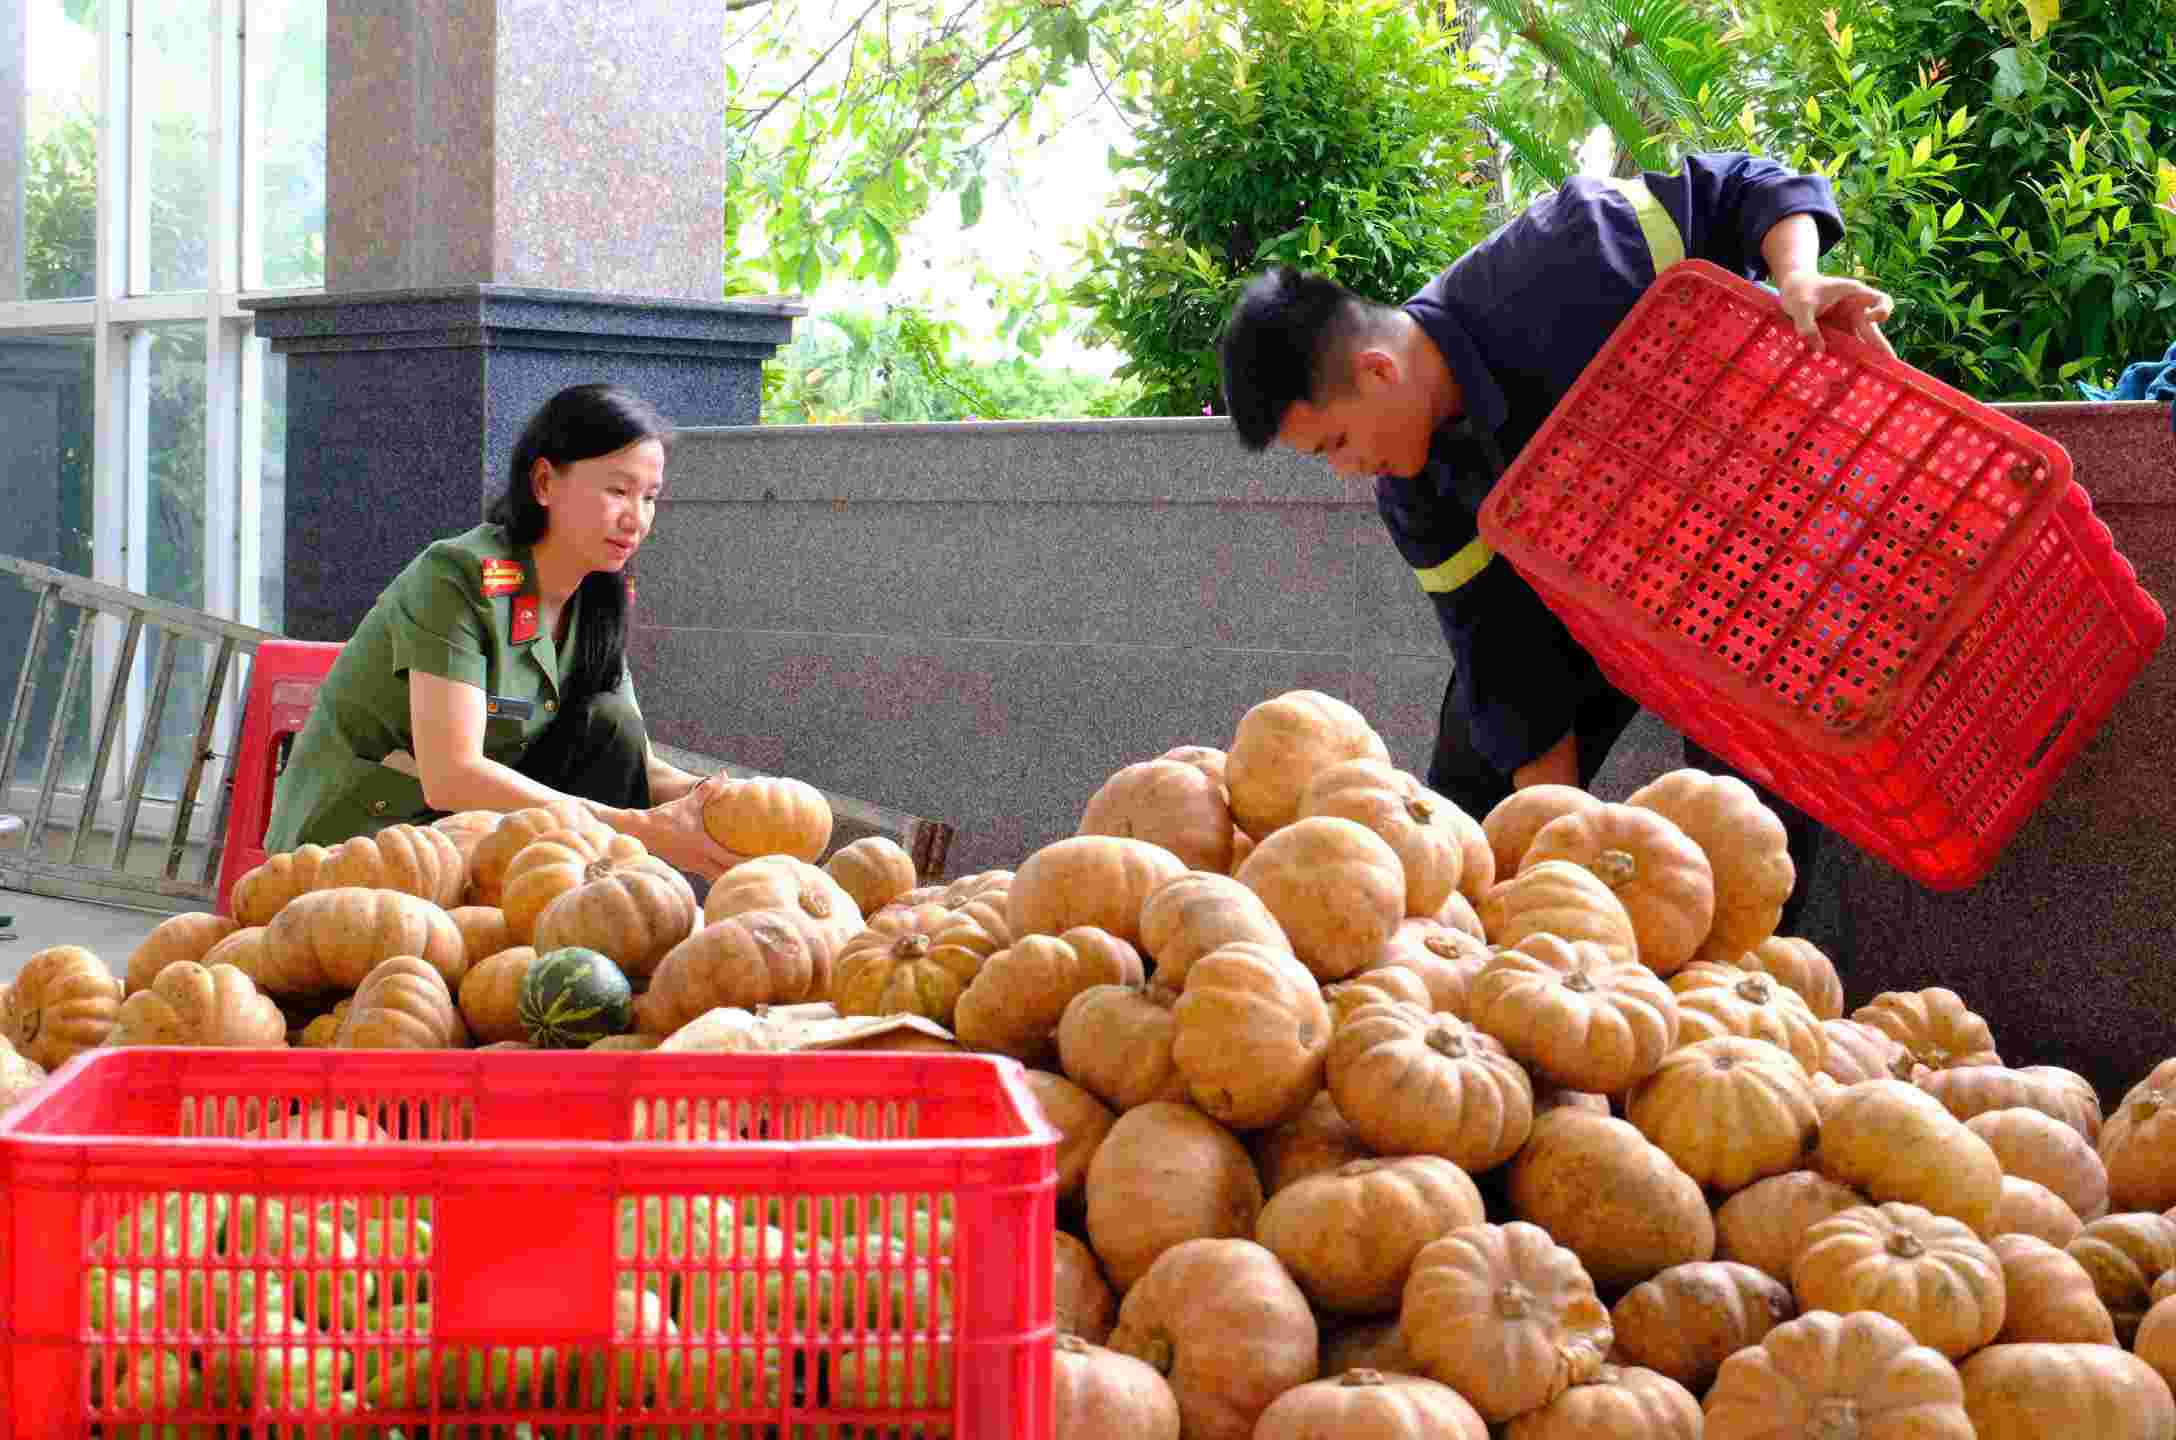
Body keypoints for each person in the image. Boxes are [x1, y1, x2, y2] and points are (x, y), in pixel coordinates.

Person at [1218, 152, 1900, 930]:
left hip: (1755, 555)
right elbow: (1506, 661)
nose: (1345, 470)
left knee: (1741, 841)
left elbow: (1747, 183)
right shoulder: (1414, 491)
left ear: (1377, 371)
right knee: (1458, 805)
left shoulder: (1572, 252)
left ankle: (1752, 979)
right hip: (1597, 604)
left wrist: (1797, 280)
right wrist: (1555, 861)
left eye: (1334, 443)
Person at [261, 382, 746, 879]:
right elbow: (452, 776)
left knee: (611, 725)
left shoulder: (596, 600)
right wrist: (635, 828)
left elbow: (638, 764)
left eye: (650, 498)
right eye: (617, 491)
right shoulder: (457, 577)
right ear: (543, 484)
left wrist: (714, 801)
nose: (635, 519)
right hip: (362, 845)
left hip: (476, 833)